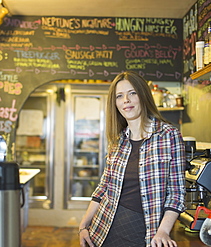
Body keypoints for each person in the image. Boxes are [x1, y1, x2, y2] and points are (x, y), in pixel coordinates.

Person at [78, 71, 186, 247]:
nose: (126, 100)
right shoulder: (118, 141)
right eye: (119, 96)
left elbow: (176, 193)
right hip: (103, 229)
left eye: (132, 93)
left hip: (144, 231)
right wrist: (83, 225)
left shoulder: (168, 135)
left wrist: (163, 231)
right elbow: (103, 187)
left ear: (143, 96)